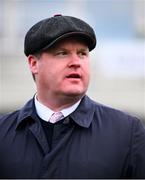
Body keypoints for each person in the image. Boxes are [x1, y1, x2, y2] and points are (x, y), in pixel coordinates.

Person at [0, 14, 145, 179]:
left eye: (82, 53)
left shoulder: (127, 133)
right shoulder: (3, 133)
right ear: (34, 64)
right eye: (62, 53)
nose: (76, 62)